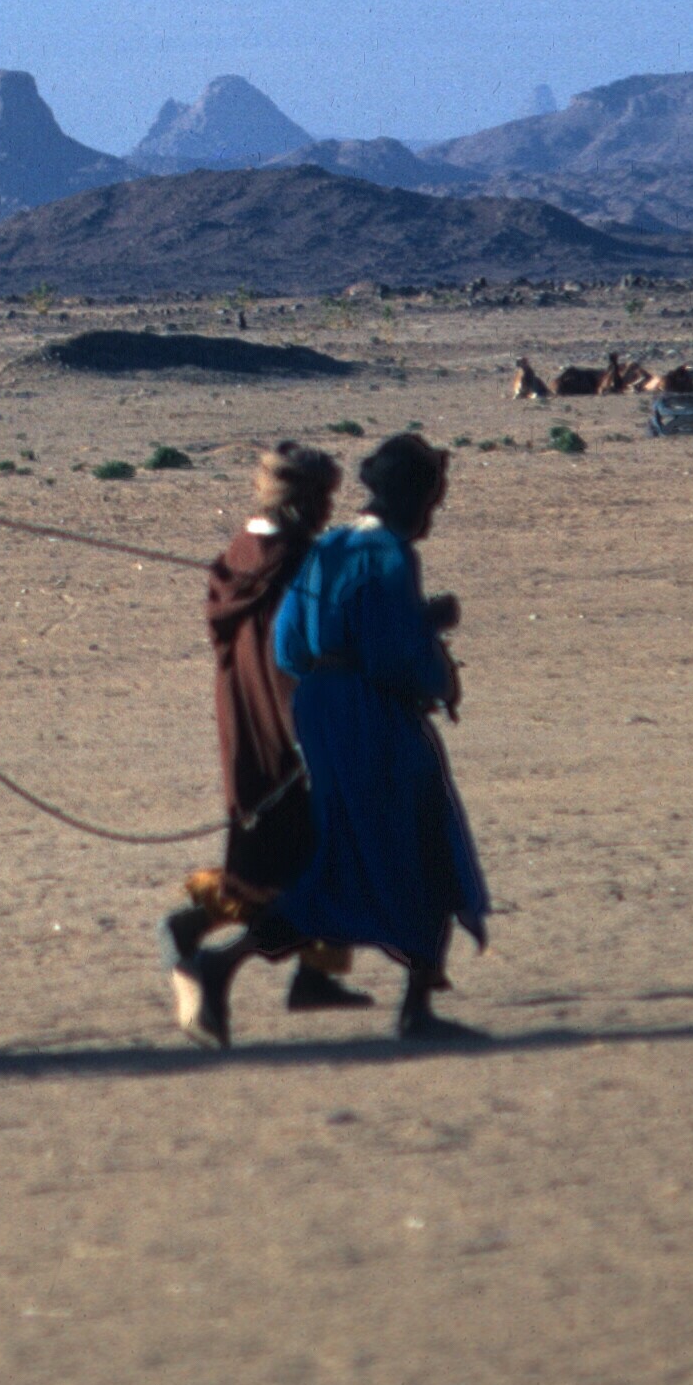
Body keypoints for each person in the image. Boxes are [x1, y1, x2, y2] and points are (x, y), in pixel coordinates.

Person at [178, 431, 491, 1044]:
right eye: (430, 500)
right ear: (411, 497)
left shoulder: (327, 552)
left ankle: (226, 963)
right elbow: (394, 655)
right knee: (431, 845)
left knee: (342, 856)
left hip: (323, 718)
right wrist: (433, 648)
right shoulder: (393, 558)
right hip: (375, 720)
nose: (431, 514)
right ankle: (417, 1009)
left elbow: (293, 641)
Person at [160, 443, 368, 1048]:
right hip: (291, 739)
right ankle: (218, 959)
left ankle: (312, 973)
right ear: (302, 499)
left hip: (250, 735)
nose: (329, 510)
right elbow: (305, 655)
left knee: (275, 866)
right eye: (323, 499)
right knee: (314, 870)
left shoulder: (238, 558)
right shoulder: (297, 565)